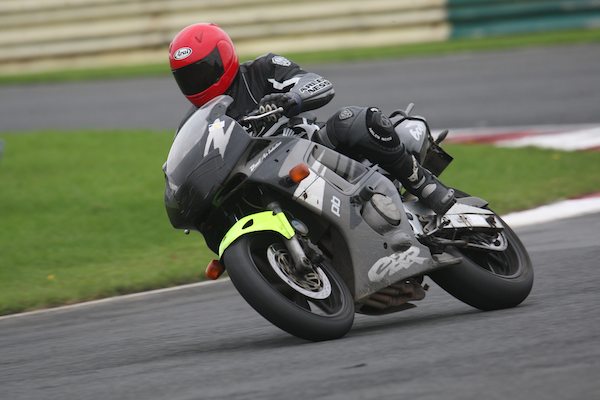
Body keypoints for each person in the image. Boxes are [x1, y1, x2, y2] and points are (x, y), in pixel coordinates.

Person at [169, 23, 456, 215]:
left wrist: (291, 99)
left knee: (352, 120)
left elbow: (316, 82)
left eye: (202, 70)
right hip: (260, 182)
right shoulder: (197, 121)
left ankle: (423, 184)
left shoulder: (261, 70)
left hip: (311, 148)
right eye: (186, 77)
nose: (196, 81)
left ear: (223, 56)